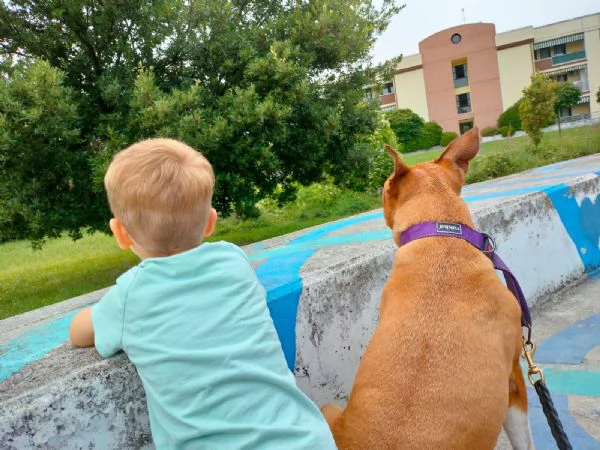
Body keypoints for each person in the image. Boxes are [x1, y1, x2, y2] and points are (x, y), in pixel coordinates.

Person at [69, 138, 336, 450]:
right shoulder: (234, 260)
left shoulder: (131, 294)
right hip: (304, 439)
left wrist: (96, 313)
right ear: (210, 222)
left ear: (120, 233)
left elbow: (79, 333)